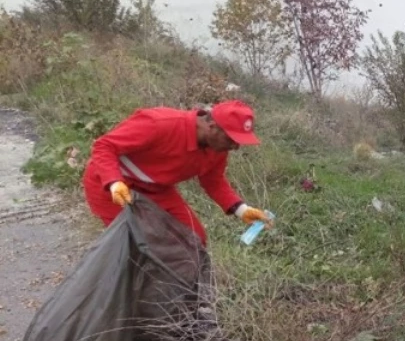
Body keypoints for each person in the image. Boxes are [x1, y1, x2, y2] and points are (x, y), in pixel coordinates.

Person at [83, 99, 270, 246]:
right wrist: (114, 181)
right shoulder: (159, 123)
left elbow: (214, 181)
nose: (235, 147)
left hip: (157, 189)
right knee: (135, 242)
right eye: (232, 140)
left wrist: (242, 210)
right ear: (212, 126)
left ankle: (178, 290)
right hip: (112, 186)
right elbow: (104, 146)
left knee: (194, 239)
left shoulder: (217, 148)